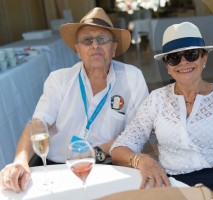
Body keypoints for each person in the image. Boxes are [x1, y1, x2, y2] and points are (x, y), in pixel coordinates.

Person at [0, 7, 148, 192]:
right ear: (77, 50)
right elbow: (36, 126)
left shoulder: (133, 78)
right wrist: (20, 160)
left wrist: (96, 154)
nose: (95, 45)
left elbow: (138, 131)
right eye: (87, 40)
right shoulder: (59, 79)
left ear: (114, 48)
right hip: (58, 168)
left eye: (102, 39)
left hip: (110, 165)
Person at [110, 22, 213, 200]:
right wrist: (141, 160)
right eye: (174, 57)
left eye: (191, 54)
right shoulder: (156, 100)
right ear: (167, 66)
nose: (183, 62)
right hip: (176, 190)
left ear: (204, 58)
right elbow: (119, 149)